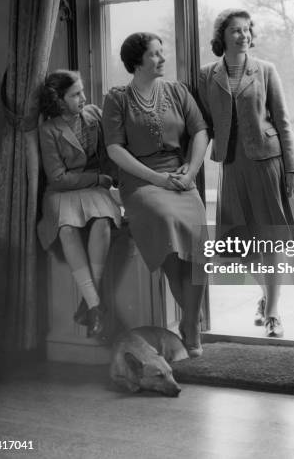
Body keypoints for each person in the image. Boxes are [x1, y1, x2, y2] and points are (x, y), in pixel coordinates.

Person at [198, 8, 294, 338]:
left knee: (272, 241)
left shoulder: (265, 70)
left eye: (247, 30)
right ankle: (267, 295)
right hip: (231, 166)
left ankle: (272, 311)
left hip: (267, 164)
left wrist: (292, 169)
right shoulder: (206, 75)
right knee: (236, 248)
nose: (244, 35)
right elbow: (202, 122)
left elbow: (283, 123)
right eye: (236, 30)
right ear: (222, 36)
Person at [102, 32, 209, 357]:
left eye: (162, 52)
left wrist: (190, 172)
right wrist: (157, 180)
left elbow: (201, 131)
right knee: (165, 224)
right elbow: (115, 149)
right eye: (155, 54)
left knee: (198, 243)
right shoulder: (117, 98)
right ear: (137, 61)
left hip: (179, 176)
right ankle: (192, 324)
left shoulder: (177, 91)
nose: (163, 58)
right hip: (140, 181)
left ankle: (189, 323)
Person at [37, 70, 121, 338]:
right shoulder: (48, 130)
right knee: (66, 230)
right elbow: (58, 178)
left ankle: (90, 304)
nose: (83, 98)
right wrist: (96, 177)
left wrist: (111, 179)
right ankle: (96, 304)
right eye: (75, 94)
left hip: (95, 189)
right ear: (59, 101)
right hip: (63, 191)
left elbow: (110, 153)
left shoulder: (94, 115)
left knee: (103, 223)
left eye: (82, 91)